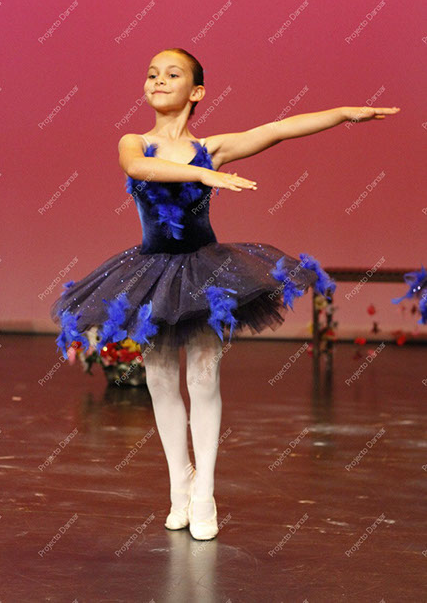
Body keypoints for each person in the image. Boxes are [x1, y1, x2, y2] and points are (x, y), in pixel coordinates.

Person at [50, 47, 400, 541]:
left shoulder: (210, 148)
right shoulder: (135, 142)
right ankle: (180, 486)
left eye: (172, 74)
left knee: (204, 377)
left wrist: (342, 113)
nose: (158, 80)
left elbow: (277, 129)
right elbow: (139, 169)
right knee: (160, 379)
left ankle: (205, 492)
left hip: (203, 274)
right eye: (152, 74)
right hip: (152, 272)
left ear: (196, 92)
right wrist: (201, 174)